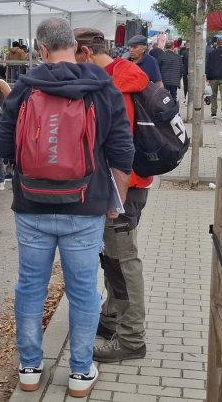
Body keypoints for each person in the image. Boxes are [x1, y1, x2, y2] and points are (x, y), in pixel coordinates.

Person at [0, 18, 134, 397]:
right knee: (84, 290)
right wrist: (113, 202)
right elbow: (123, 152)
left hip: (31, 205)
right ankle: (80, 372)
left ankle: (29, 368)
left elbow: (3, 147)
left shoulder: (23, 89)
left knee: (30, 286)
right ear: (74, 45)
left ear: (41, 50)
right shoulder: (103, 88)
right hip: (86, 206)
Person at [73, 27, 153, 363]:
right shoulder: (120, 77)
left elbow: (116, 147)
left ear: (85, 53)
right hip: (128, 184)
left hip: (122, 188)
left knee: (122, 262)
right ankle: (111, 318)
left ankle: (132, 338)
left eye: (73, 59)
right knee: (112, 258)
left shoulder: (115, 87)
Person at [153, 39, 183, 103]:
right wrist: (178, 78)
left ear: (165, 47)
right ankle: (174, 110)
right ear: (172, 47)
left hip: (164, 81)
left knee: (164, 98)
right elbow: (181, 69)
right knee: (173, 96)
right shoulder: (178, 57)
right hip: (174, 81)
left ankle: (165, 110)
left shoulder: (161, 56)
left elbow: (157, 69)